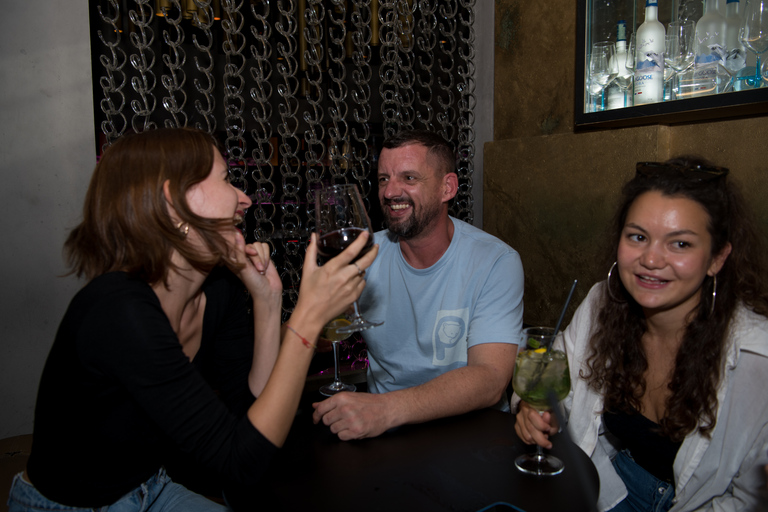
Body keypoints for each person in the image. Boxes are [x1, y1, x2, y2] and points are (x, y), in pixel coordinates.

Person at [8, 127, 377, 512]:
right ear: (174, 201)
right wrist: (308, 318)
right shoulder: (117, 310)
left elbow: (250, 420)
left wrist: (268, 301)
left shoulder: (220, 292)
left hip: (152, 486)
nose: (245, 199)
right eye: (226, 179)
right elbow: (241, 463)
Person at [514, 157, 768, 511]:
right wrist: (532, 406)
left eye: (680, 244)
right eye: (638, 237)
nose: (651, 259)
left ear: (717, 258)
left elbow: (751, 499)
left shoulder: (758, 359)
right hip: (609, 487)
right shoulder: (602, 303)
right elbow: (553, 379)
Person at [313, 129, 524, 440]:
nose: (389, 192)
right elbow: (316, 336)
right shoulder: (366, 257)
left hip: (473, 436)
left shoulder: (495, 262)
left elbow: (490, 378)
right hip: (386, 436)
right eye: (384, 179)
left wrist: (384, 409)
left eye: (408, 178)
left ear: (447, 187)